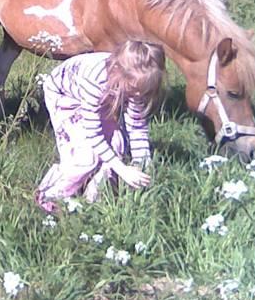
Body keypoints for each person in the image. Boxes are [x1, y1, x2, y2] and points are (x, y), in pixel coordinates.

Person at [35, 40, 166, 213]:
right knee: (85, 155)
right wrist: (123, 170)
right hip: (65, 95)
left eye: (143, 90)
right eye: (135, 89)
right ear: (119, 73)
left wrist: (143, 163)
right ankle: (52, 193)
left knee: (116, 143)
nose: (138, 95)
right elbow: (93, 133)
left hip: (105, 92)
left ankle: (95, 191)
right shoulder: (96, 80)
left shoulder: (136, 83)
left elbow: (136, 124)